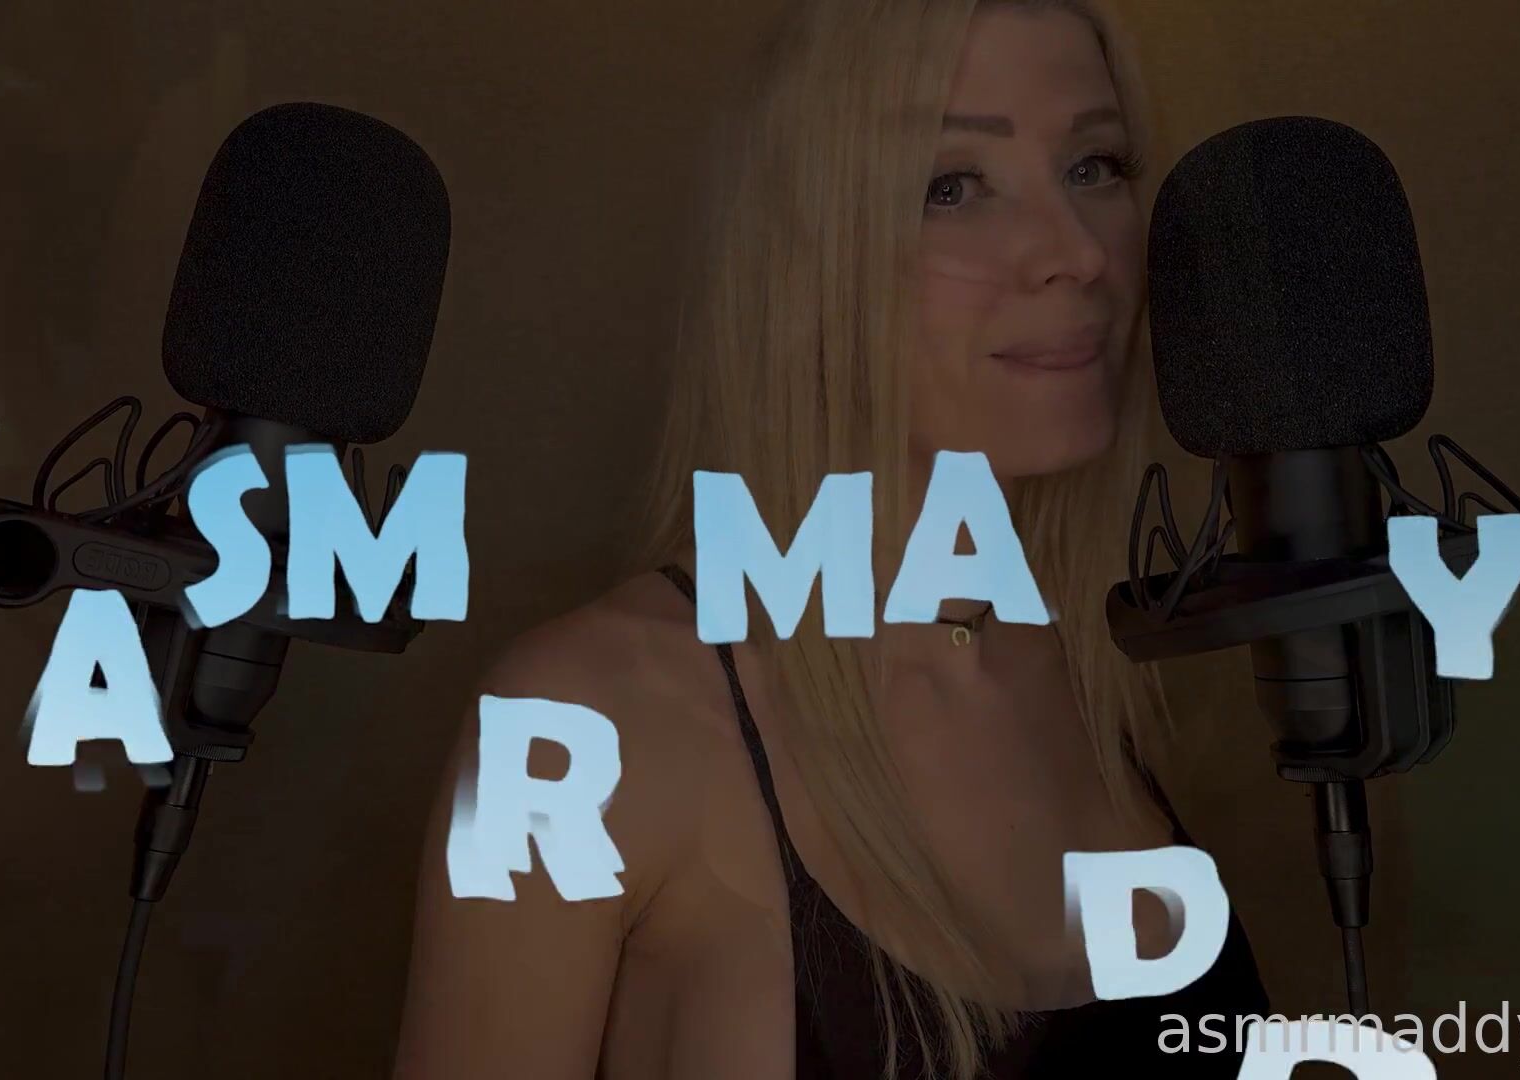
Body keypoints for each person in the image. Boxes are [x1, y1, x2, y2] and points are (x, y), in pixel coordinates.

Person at [392, 1, 1269, 1076]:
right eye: (952, 186)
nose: (1078, 254)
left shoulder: (1113, 674)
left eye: (1094, 166)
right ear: (800, 253)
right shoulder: (580, 726)